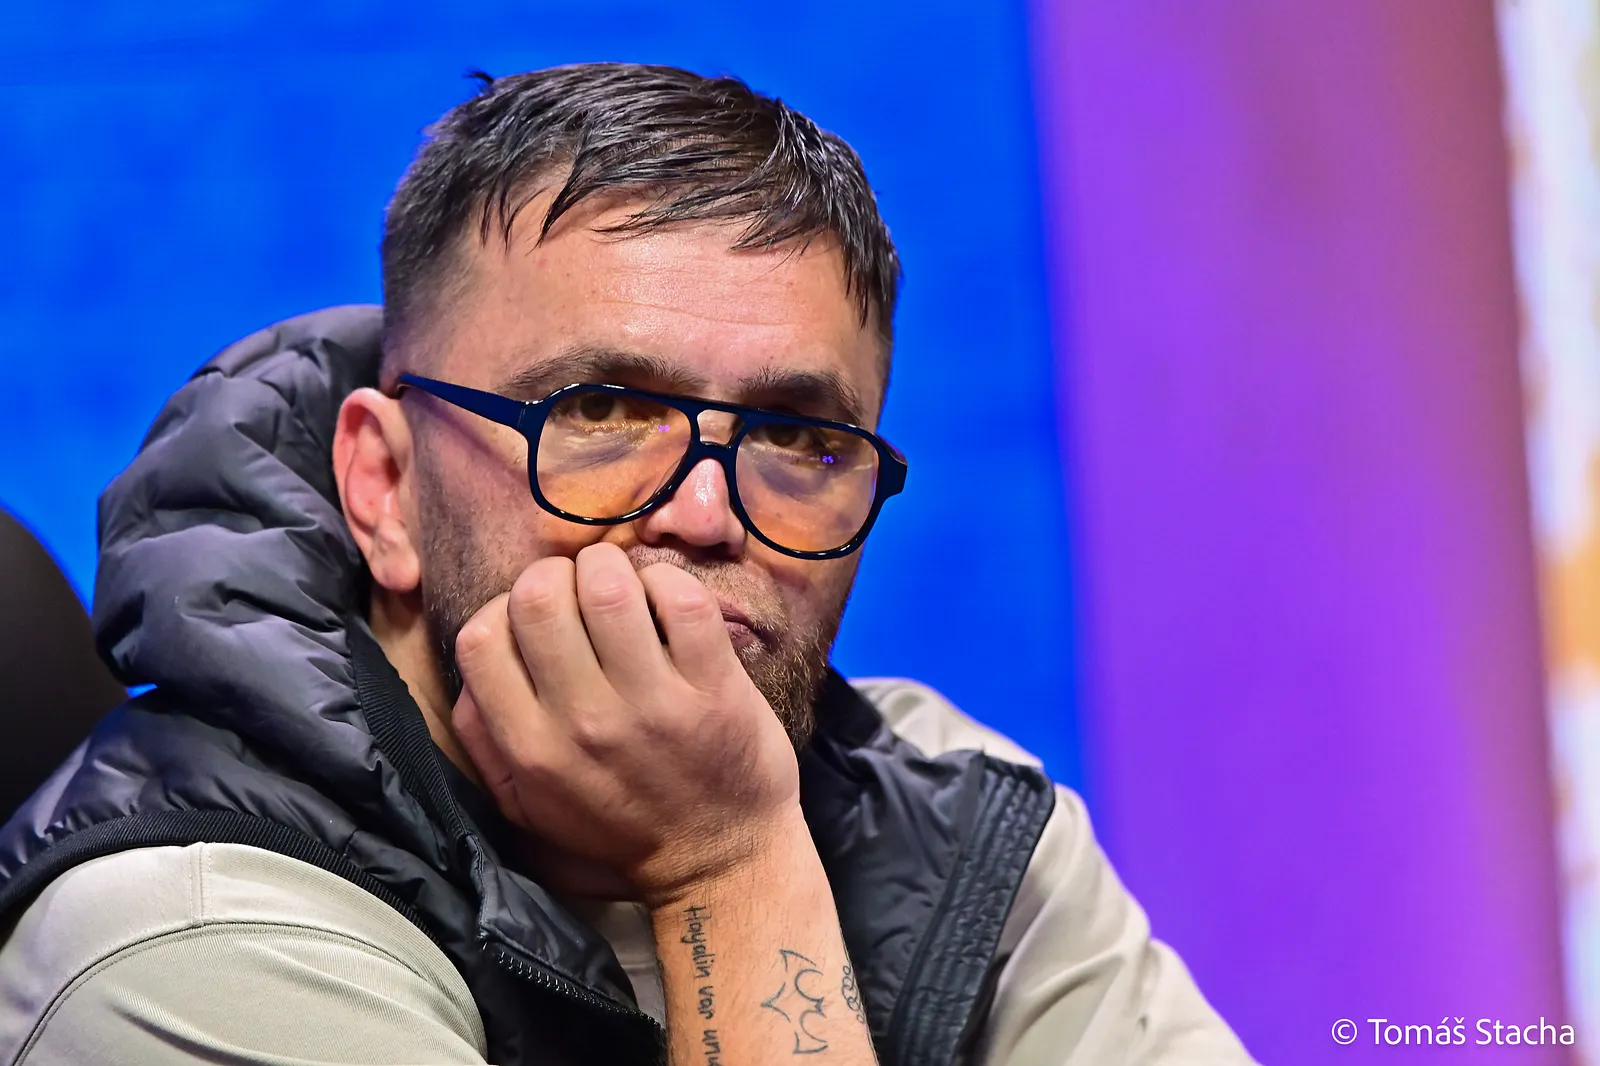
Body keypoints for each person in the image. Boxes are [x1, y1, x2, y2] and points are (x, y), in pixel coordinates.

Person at [0, 63, 1254, 1065]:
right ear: (383, 484)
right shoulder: (190, 942)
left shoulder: (956, 820)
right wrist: (726, 863)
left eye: (799, 437)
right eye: (601, 409)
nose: (707, 512)